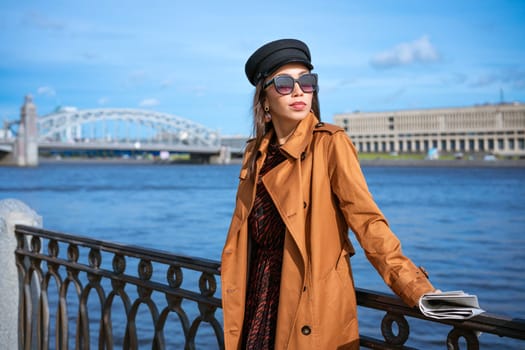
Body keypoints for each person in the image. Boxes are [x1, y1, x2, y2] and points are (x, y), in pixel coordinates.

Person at [220, 38, 437, 350]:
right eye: (283, 83)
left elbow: (368, 223)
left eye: (306, 82)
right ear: (264, 99)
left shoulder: (329, 144)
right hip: (259, 298)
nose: (298, 91)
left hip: (308, 305)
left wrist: (416, 288)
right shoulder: (256, 155)